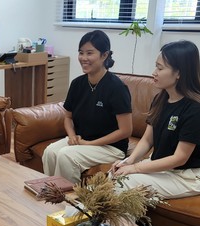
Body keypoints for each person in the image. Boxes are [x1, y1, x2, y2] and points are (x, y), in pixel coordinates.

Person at [111, 40, 200, 199]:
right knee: (113, 176)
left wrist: (136, 168)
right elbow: (147, 140)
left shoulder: (196, 110)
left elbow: (180, 158)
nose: (154, 72)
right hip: (162, 167)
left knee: (124, 183)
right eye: (156, 66)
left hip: (187, 176)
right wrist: (129, 161)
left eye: (160, 68)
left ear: (179, 73)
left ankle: (119, 225)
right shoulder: (160, 100)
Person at [42, 30, 132, 183]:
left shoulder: (116, 88)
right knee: (50, 152)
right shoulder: (77, 84)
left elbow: (126, 130)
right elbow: (68, 117)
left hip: (110, 148)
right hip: (82, 140)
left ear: (105, 55)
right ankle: (51, 196)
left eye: (90, 53)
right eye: (81, 53)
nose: (84, 58)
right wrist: (71, 136)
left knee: (66, 156)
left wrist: (90, 144)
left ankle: (67, 202)